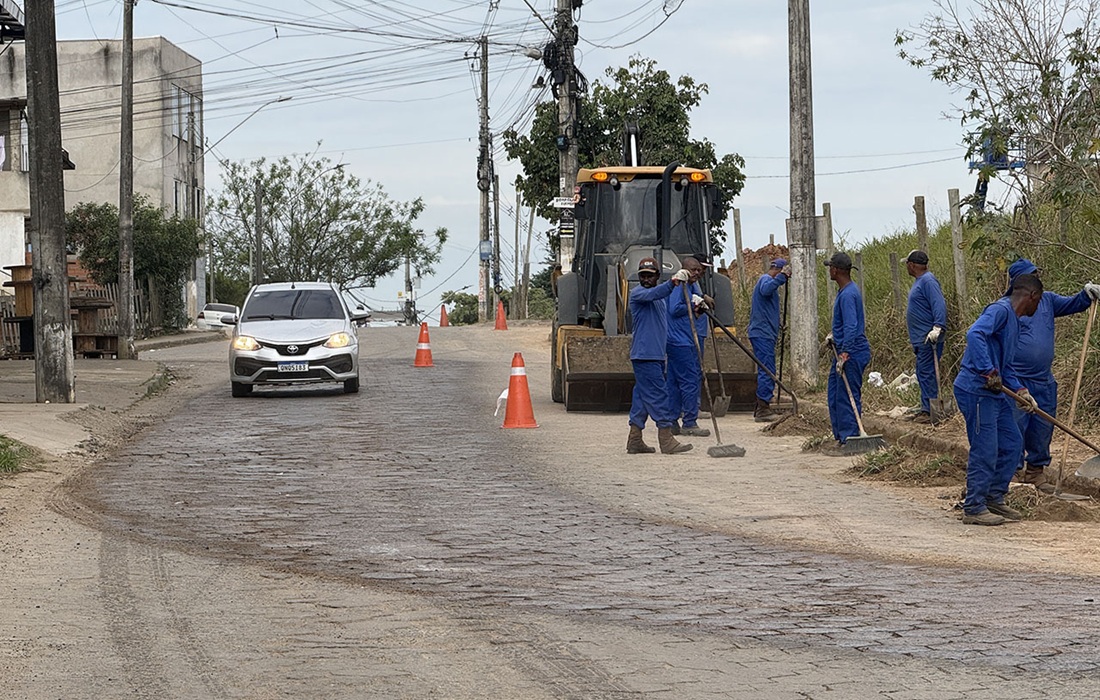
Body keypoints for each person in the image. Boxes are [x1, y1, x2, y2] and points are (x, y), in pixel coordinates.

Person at [953, 273, 1043, 525]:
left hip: (994, 392)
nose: (1038, 307)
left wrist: (1021, 391)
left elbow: (1006, 365)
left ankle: (993, 496)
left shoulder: (1014, 321)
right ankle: (974, 506)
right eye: (1039, 301)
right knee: (985, 448)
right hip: (977, 390)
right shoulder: (1000, 310)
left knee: (1012, 443)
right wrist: (988, 371)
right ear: (1032, 295)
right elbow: (974, 334)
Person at [1004, 259, 1100, 492]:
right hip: (1016, 380)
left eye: (1037, 275)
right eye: (1031, 276)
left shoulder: (1047, 300)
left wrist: (1086, 294)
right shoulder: (1006, 307)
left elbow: (1073, 304)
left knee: (1042, 428)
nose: (1036, 279)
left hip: (1043, 380)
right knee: (1014, 428)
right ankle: (1011, 474)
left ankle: (1035, 473)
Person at [626, 257, 693, 455]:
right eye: (643, 276)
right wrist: (673, 282)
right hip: (645, 355)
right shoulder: (638, 294)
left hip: (654, 355)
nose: (646, 279)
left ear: (657, 276)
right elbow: (657, 292)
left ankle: (635, 439)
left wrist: (695, 307)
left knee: (642, 397)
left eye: (650, 275)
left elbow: (666, 309)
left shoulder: (659, 301)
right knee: (659, 396)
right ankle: (666, 438)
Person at [824, 252, 872, 449]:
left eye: (830, 267)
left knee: (846, 395)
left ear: (836, 270)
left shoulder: (848, 294)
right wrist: (835, 336)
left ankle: (850, 437)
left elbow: (852, 326)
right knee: (835, 394)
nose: (829, 271)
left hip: (851, 352)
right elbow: (846, 324)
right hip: (844, 349)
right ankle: (841, 436)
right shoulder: (845, 292)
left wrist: (845, 352)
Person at [666, 255, 713, 437]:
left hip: (682, 339)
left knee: (674, 382)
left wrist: (699, 305)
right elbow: (674, 309)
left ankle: (671, 421)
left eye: (699, 270)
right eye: (693, 270)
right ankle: (689, 422)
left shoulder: (692, 285)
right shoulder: (681, 285)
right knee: (690, 380)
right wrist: (692, 307)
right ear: (684, 269)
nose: (697, 273)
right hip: (680, 341)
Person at [902, 250, 948, 424]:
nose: (906, 267)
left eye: (907, 264)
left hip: (929, 338)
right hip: (921, 338)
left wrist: (938, 327)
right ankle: (925, 407)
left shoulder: (928, 281)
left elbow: (938, 304)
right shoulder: (921, 281)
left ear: (912, 265)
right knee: (923, 372)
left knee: (927, 373)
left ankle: (930, 411)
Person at [746, 257, 790, 422]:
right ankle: (763, 408)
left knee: (767, 368)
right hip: (762, 333)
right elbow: (765, 290)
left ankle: (761, 404)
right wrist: (781, 278)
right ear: (779, 270)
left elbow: (767, 308)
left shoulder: (769, 283)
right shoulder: (766, 280)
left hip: (766, 332)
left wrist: (778, 323)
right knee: (767, 369)